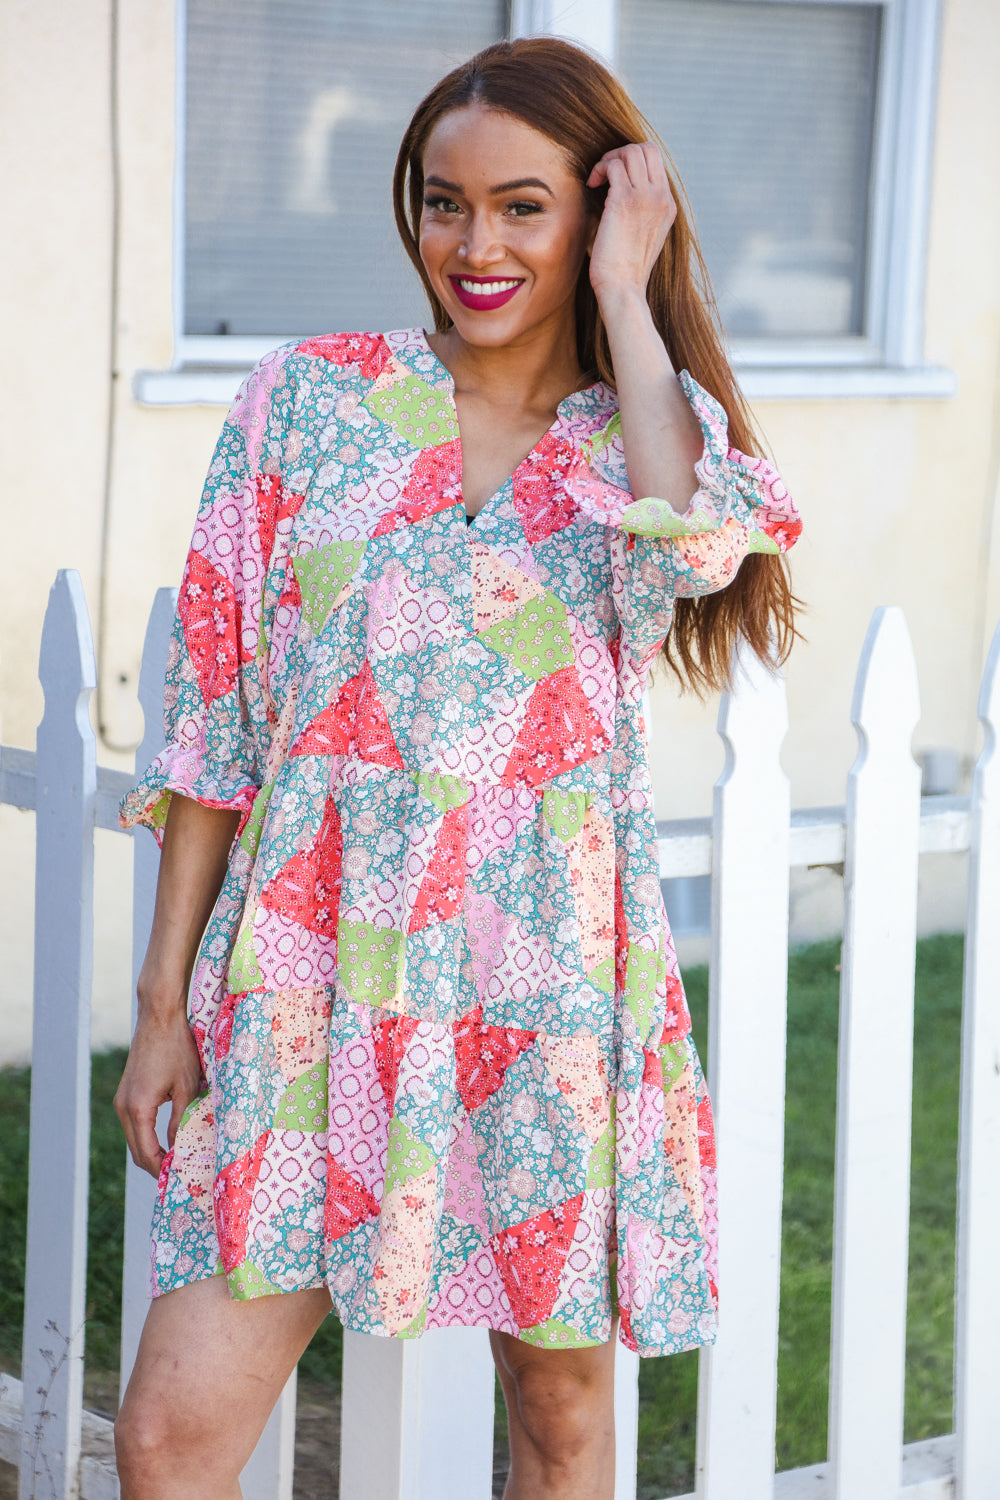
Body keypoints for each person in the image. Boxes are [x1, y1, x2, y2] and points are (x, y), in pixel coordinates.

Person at [113, 34, 800, 1500]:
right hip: (310, 979)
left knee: (560, 1424)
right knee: (168, 1439)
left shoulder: (636, 443)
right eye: (445, 203)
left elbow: (697, 549)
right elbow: (218, 724)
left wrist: (629, 296)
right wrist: (165, 1002)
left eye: (523, 208)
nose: (474, 246)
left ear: (598, 217)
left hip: (542, 986)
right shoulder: (306, 403)